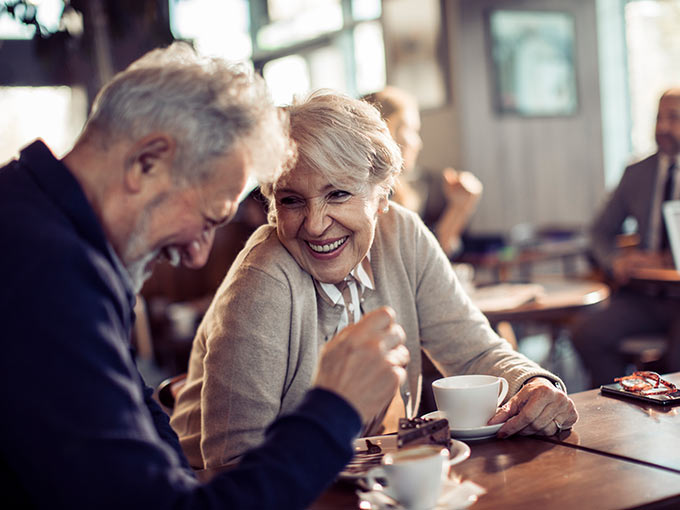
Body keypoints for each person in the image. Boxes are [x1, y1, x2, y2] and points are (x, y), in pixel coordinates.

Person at [0, 43, 411, 510]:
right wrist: (334, 406)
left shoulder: (41, 228)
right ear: (147, 162)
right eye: (209, 217)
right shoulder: (44, 275)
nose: (198, 256)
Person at [171, 90, 578, 469]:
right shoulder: (263, 278)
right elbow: (233, 462)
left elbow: (472, 350)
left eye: (337, 194)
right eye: (292, 200)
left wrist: (534, 383)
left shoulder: (403, 234)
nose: (314, 225)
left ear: (382, 195)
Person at [572, 88, 680, 387]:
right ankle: (623, 407)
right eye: (659, 117)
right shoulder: (637, 173)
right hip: (643, 296)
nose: (663, 127)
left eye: (674, 118)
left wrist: (668, 260)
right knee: (587, 335)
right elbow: (598, 232)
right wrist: (615, 260)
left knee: (676, 359)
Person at [363, 86, 483, 257]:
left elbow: (427, 261)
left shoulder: (402, 192)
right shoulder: (371, 198)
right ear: (385, 131)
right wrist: (458, 210)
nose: (417, 143)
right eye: (410, 130)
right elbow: (413, 264)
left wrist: (459, 207)